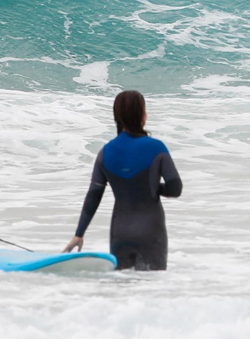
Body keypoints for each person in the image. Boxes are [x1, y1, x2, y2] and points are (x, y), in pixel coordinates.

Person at [64, 89, 183, 270]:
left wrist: (79, 234)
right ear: (142, 114)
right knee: (152, 288)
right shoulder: (156, 148)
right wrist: (152, 188)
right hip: (151, 230)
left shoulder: (106, 152)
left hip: (120, 233)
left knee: (124, 289)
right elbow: (175, 187)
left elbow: (93, 196)